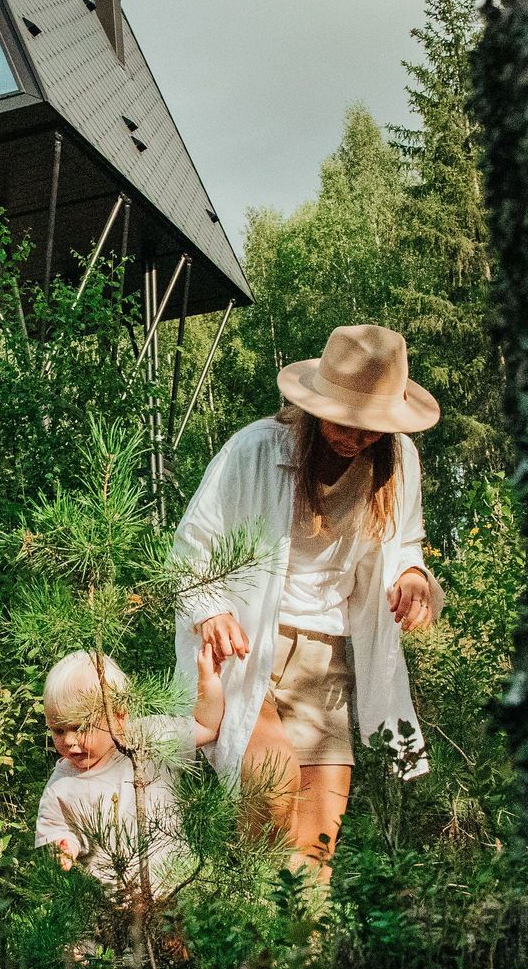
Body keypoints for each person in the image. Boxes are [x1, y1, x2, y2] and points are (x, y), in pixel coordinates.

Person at [173, 324, 444, 879]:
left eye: (370, 425)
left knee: (316, 846)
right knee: (269, 796)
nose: (354, 434)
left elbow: (404, 548)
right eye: (344, 418)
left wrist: (415, 576)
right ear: (317, 402)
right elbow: (191, 546)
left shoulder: (400, 463)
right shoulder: (255, 448)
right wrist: (212, 608)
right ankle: (244, 929)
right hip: (251, 650)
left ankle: (298, 961)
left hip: (329, 660)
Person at [33, 648, 224, 894]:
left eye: (80, 727)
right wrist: (64, 846)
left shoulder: (150, 739)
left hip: (176, 888)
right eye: (58, 730)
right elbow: (55, 829)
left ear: (119, 717)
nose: (69, 740)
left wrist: (208, 680)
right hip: (114, 905)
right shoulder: (62, 785)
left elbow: (206, 727)